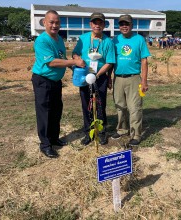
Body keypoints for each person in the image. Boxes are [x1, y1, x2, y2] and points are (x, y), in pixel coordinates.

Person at [32, 10, 85, 158]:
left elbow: (62, 57)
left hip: (55, 82)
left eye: (57, 22)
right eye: (51, 22)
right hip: (43, 81)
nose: (54, 25)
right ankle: (45, 144)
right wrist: (74, 61)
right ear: (44, 23)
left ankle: (54, 138)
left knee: (56, 110)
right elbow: (52, 62)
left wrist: (72, 67)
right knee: (44, 112)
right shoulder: (42, 40)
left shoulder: (59, 39)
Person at [72, 12, 115, 146]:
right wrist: (77, 60)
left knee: (100, 105)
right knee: (86, 104)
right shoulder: (83, 38)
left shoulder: (108, 41)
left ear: (104, 25)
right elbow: (75, 53)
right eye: (95, 23)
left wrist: (96, 76)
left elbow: (109, 62)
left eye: (100, 23)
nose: (97, 25)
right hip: (85, 75)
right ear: (91, 24)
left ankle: (101, 132)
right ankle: (88, 132)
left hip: (99, 76)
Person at [110, 14, 151, 146]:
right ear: (119, 26)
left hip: (133, 79)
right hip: (118, 78)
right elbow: (111, 61)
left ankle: (136, 134)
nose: (124, 26)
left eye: (127, 24)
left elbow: (144, 61)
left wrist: (144, 81)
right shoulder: (114, 40)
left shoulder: (139, 39)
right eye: (122, 24)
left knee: (134, 108)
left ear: (132, 25)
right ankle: (122, 129)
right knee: (120, 106)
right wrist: (110, 78)